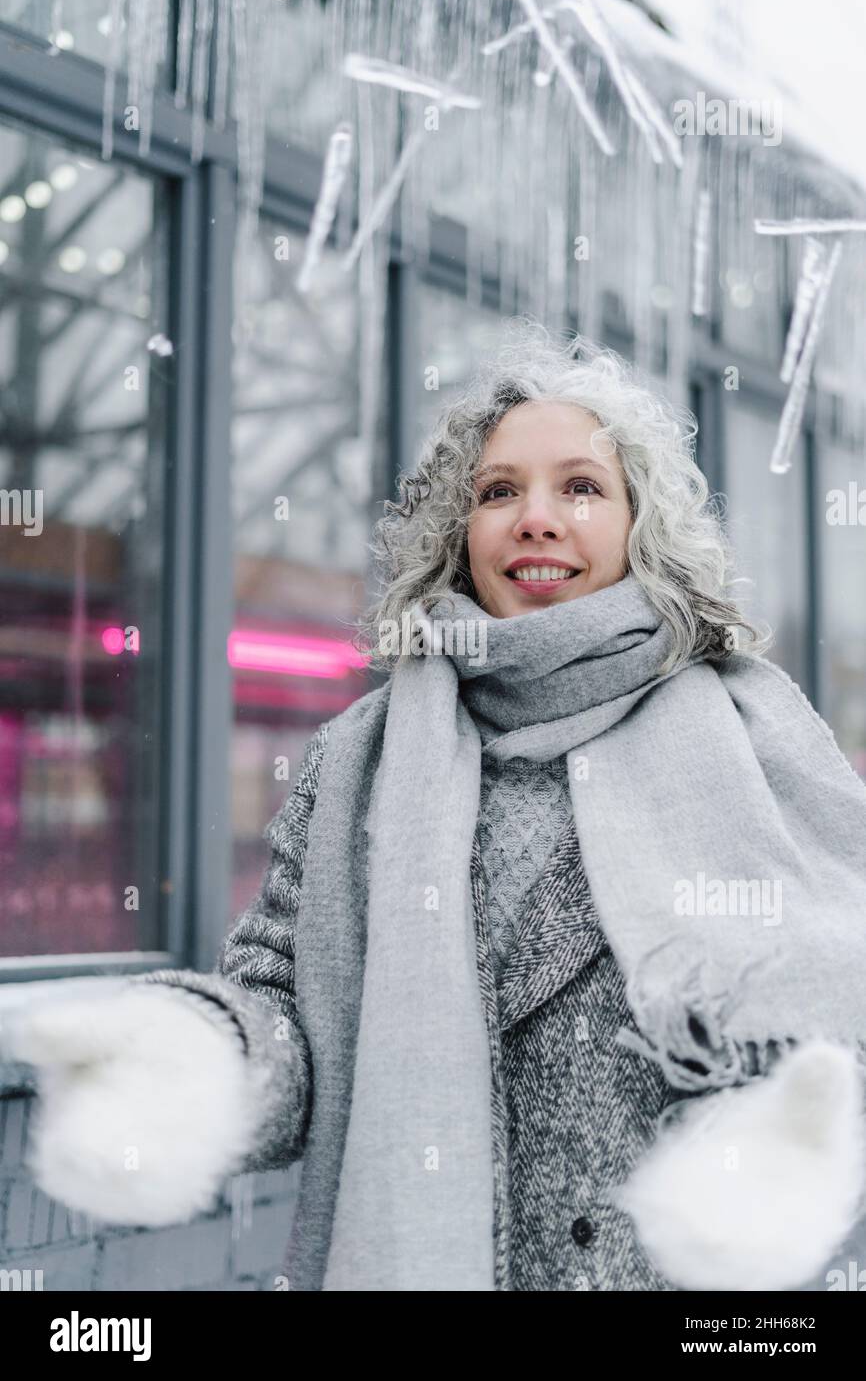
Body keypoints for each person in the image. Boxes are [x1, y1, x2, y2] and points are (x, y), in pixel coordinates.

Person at [4, 321, 866, 1293]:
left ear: (640, 522)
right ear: (459, 532)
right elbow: (286, 1005)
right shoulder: (360, 759)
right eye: (498, 492)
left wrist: (789, 1131)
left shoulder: (751, 732)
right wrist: (194, 1055)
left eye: (579, 486)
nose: (535, 519)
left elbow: (841, 976)